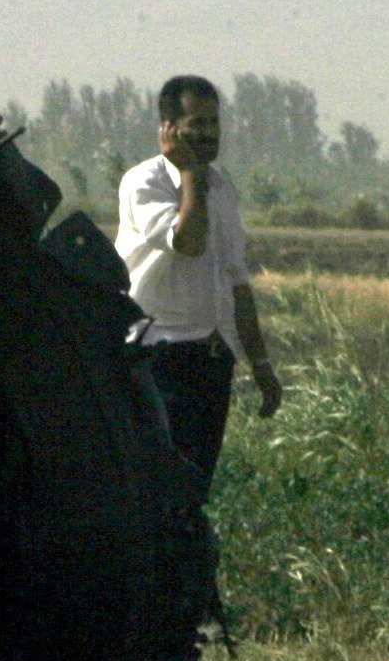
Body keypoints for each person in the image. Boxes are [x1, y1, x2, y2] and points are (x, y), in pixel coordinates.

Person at [116, 74, 282, 509]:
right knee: (158, 494)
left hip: (211, 359)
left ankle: (184, 572)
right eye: (196, 123)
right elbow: (188, 242)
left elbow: (236, 281)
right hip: (159, 358)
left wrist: (260, 363)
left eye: (214, 123)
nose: (208, 134)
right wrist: (188, 173)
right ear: (168, 128)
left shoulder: (222, 187)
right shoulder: (145, 183)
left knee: (193, 494)